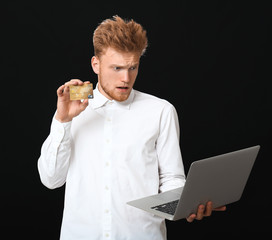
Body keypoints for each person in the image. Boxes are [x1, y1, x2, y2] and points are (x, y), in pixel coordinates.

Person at [38, 15, 226, 240]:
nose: (126, 78)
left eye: (133, 67)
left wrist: (187, 205)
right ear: (95, 64)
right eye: (117, 68)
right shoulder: (73, 107)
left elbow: (171, 177)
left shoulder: (160, 110)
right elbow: (51, 180)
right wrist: (63, 121)